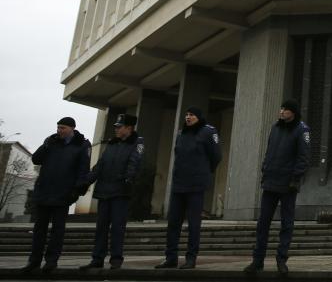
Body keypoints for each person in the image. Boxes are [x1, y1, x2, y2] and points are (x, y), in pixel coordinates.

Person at [244, 99, 310, 274]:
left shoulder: (301, 130)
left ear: (293, 112)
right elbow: (269, 151)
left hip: (288, 185)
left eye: (285, 109)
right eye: (281, 108)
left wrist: (294, 180)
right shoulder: (275, 127)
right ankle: (257, 261)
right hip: (271, 182)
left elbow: (303, 158)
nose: (281, 112)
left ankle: (281, 260)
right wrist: (265, 170)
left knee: (286, 224)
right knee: (262, 223)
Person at [19, 118, 91, 274]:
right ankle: (34, 261)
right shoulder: (51, 142)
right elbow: (36, 159)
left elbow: (83, 169)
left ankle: (51, 262)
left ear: (72, 128)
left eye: (63, 128)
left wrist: (77, 190)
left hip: (63, 194)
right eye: (58, 127)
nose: (59, 130)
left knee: (57, 231)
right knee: (39, 230)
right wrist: (46, 144)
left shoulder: (82, 145)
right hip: (44, 192)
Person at [155, 107, 222, 270]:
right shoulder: (181, 133)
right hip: (179, 184)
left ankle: (191, 259)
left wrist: (204, 170)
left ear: (198, 117)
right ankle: (170, 258)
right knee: (173, 223)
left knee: (193, 224)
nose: (188, 117)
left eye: (191, 115)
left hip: (196, 185)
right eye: (186, 115)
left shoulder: (208, 131)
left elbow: (216, 156)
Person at [79, 114, 144, 271]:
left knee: (117, 228)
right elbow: (100, 166)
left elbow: (134, 163)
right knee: (101, 227)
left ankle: (116, 259)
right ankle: (97, 258)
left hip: (120, 192)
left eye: (119, 126)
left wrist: (128, 179)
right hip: (104, 192)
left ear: (129, 128)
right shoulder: (112, 144)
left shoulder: (137, 143)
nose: (116, 129)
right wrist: (86, 181)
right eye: (116, 126)